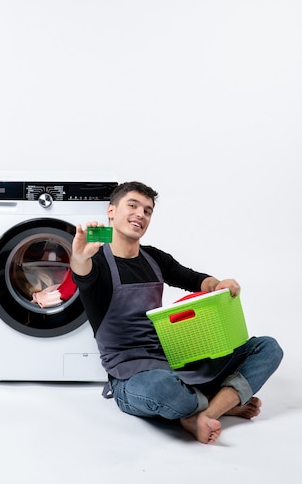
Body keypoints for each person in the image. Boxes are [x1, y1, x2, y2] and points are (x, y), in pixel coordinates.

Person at [70, 181, 283, 444]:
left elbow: (196, 280)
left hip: (172, 362)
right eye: (132, 205)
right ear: (111, 211)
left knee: (267, 348)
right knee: (163, 388)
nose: (140, 214)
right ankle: (224, 402)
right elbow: (82, 270)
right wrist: (80, 256)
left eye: (147, 211)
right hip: (131, 377)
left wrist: (218, 284)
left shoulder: (153, 258)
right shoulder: (97, 262)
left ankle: (204, 413)